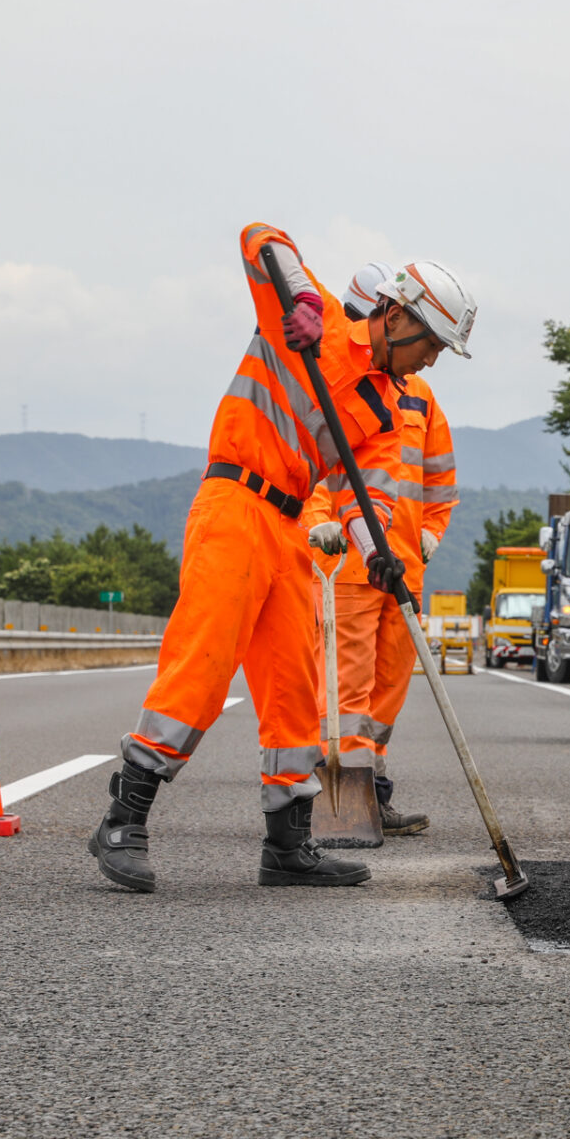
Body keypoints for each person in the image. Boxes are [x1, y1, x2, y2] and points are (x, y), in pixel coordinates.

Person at [89, 223, 472, 892]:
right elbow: (260, 235)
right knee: (203, 667)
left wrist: (379, 552)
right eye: (433, 344)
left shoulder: (385, 409)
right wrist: (294, 298)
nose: (432, 361)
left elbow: (368, 498)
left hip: (291, 526)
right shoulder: (312, 319)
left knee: (297, 685)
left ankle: (288, 845)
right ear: (396, 314)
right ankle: (125, 817)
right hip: (234, 505)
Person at [303, 261, 462, 835]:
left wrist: (427, 535)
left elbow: (441, 485)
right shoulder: (336, 382)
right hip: (347, 563)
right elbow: (324, 473)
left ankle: (375, 792)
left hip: (402, 566)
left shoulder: (419, 398)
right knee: (348, 687)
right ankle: (341, 802)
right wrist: (320, 523)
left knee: (388, 692)